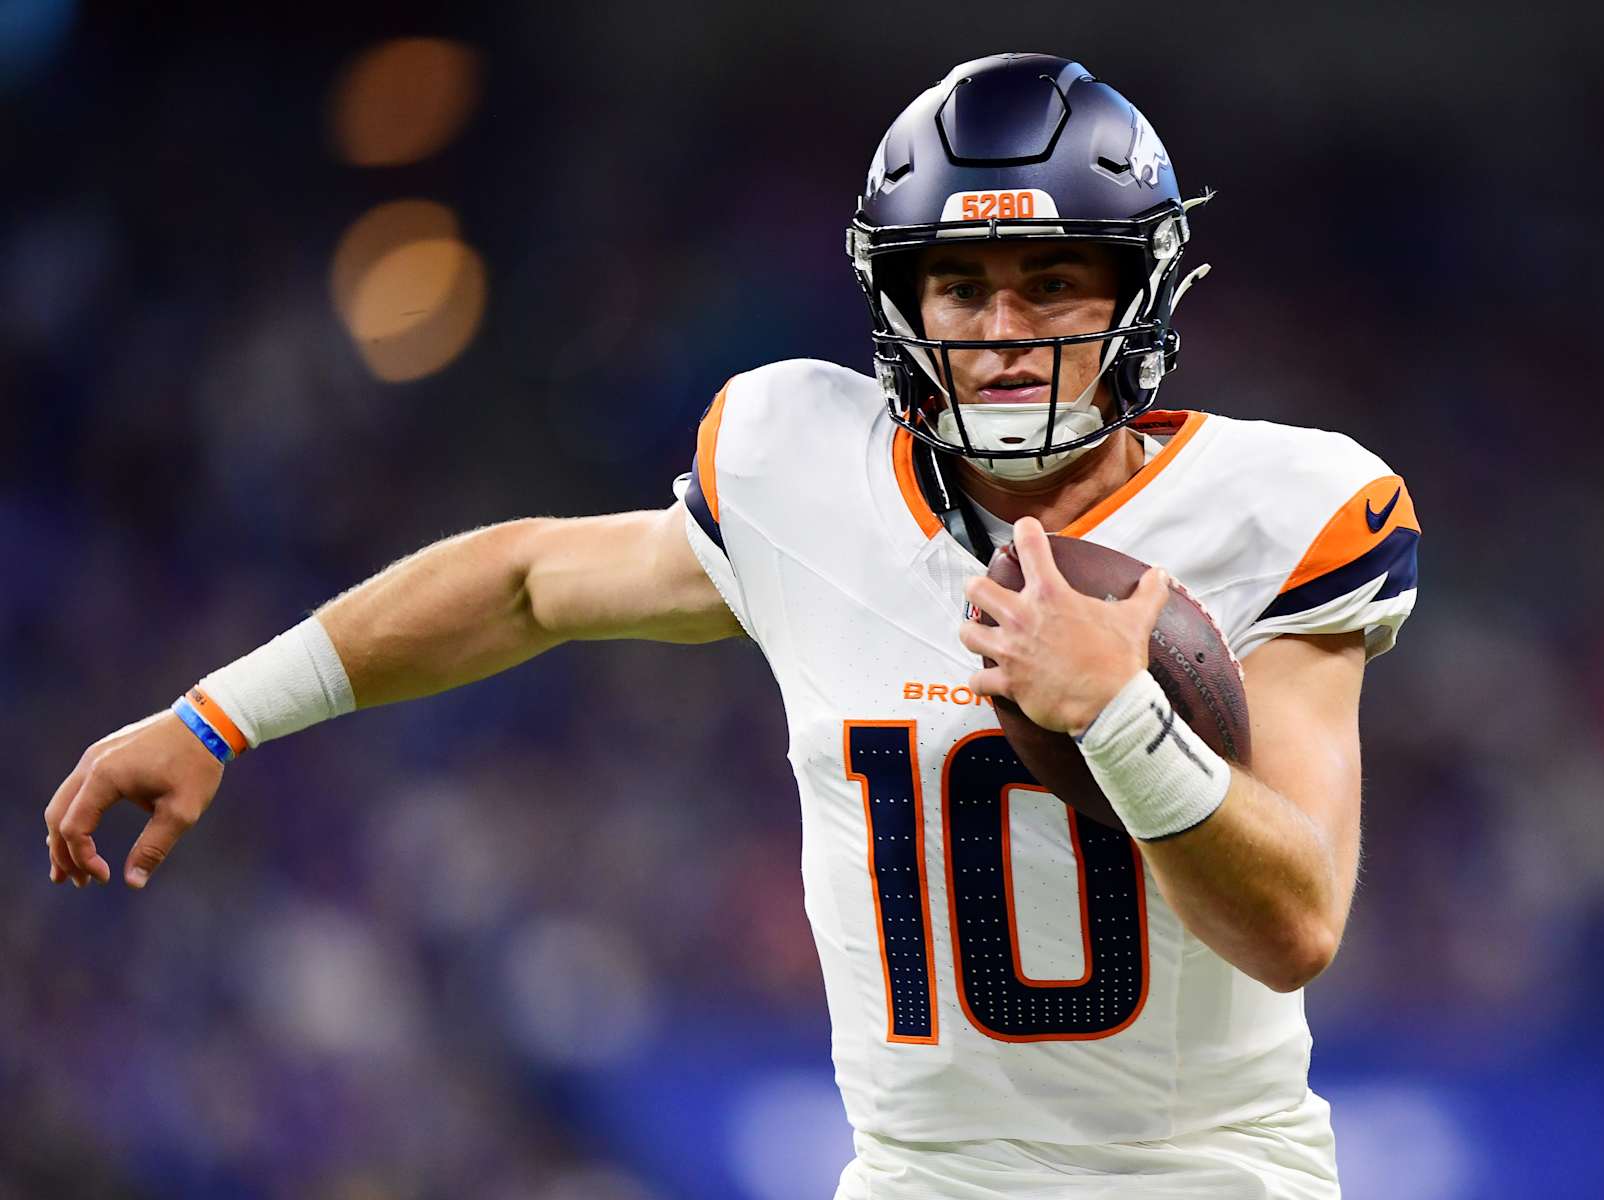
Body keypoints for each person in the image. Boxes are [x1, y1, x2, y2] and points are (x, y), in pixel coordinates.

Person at [43, 53, 1419, 1199]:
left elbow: (1298, 921)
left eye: (1054, 281)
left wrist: (1118, 712)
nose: (1003, 330)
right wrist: (220, 712)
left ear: (1141, 292)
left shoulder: (1279, 507)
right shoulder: (800, 466)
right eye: (960, 284)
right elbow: (527, 581)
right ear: (899, 301)